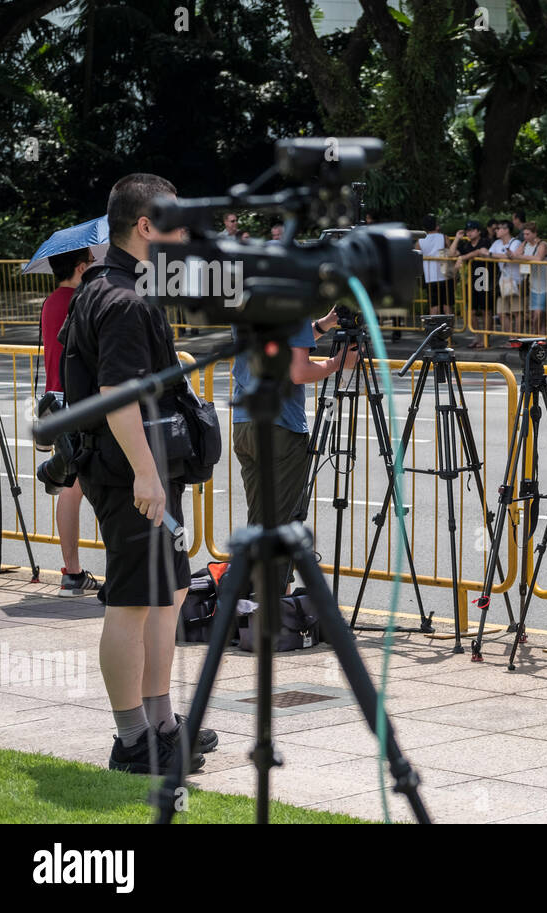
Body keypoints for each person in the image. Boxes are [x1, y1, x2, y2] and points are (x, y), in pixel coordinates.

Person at [59, 173, 217, 773]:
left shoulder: (107, 286)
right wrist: (147, 477)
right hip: (132, 473)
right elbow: (118, 394)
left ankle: (162, 723)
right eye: (175, 223)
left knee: (168, 594)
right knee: (132, 601)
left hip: (140, 469)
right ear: (146, 227)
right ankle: (132, 742)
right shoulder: (122, 299)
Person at [230, 307, 355, 592]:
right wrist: (339, 362)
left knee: (260, 519)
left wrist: (322, 325)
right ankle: (273, 616)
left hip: (245, 423)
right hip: (281, 427)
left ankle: (250, 602)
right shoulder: (293, 302)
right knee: (281, 525)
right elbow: (298, 372)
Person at [39, 247, 100, 597]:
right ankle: (75, 574)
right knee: (90, 485)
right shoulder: (80, 302)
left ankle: (72, 570)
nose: (94, 267)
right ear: (80, 267)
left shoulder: (50, 302)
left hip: (54, 400)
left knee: (70, 487)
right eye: (91, 262)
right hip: (77, 402)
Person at [453, 220, 492, 347]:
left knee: (486, 310)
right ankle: (477, 337)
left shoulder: (485, 241)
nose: (469, 233)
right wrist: (457, 238)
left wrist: (462, 258)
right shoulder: (466, 245)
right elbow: (452, 253)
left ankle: (486, 338)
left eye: (472, 230)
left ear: (478, 231)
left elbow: (480, 251)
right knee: (472, 311)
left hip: (485, 280)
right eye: (467, 231)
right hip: (470, 281)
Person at [489, 220, 524, 337]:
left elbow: (511, 256)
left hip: (515, 280)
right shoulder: (496, 243)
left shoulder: (516, 242)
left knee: (516, 311)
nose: (496, 231)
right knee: (501, 312)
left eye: (498, 228)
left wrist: (492, 255)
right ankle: (511, 337)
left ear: (506, 230)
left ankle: (518, 337)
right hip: (502, 281)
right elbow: (488, 254)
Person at [518, 221, 547, 336]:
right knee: (534, 314)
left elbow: (539, 258)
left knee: (539, 313)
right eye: (524, 234)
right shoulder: (524, 244)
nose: (525, 237)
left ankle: (537, 336)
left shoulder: (543, 244)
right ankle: (538, 337)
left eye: (527, 234)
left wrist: (521, 257)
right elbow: (516, 255)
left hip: (544, 284)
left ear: (534, 233)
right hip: (532, 283)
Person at [419, 215, 453, 316]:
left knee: (434, 305)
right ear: (436, 225)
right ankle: (449, 329)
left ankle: (434, 328)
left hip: (430, 277)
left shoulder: (420, 241)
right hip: (445, 275)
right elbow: (451, 252)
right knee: (447, 305)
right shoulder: (443, 237)